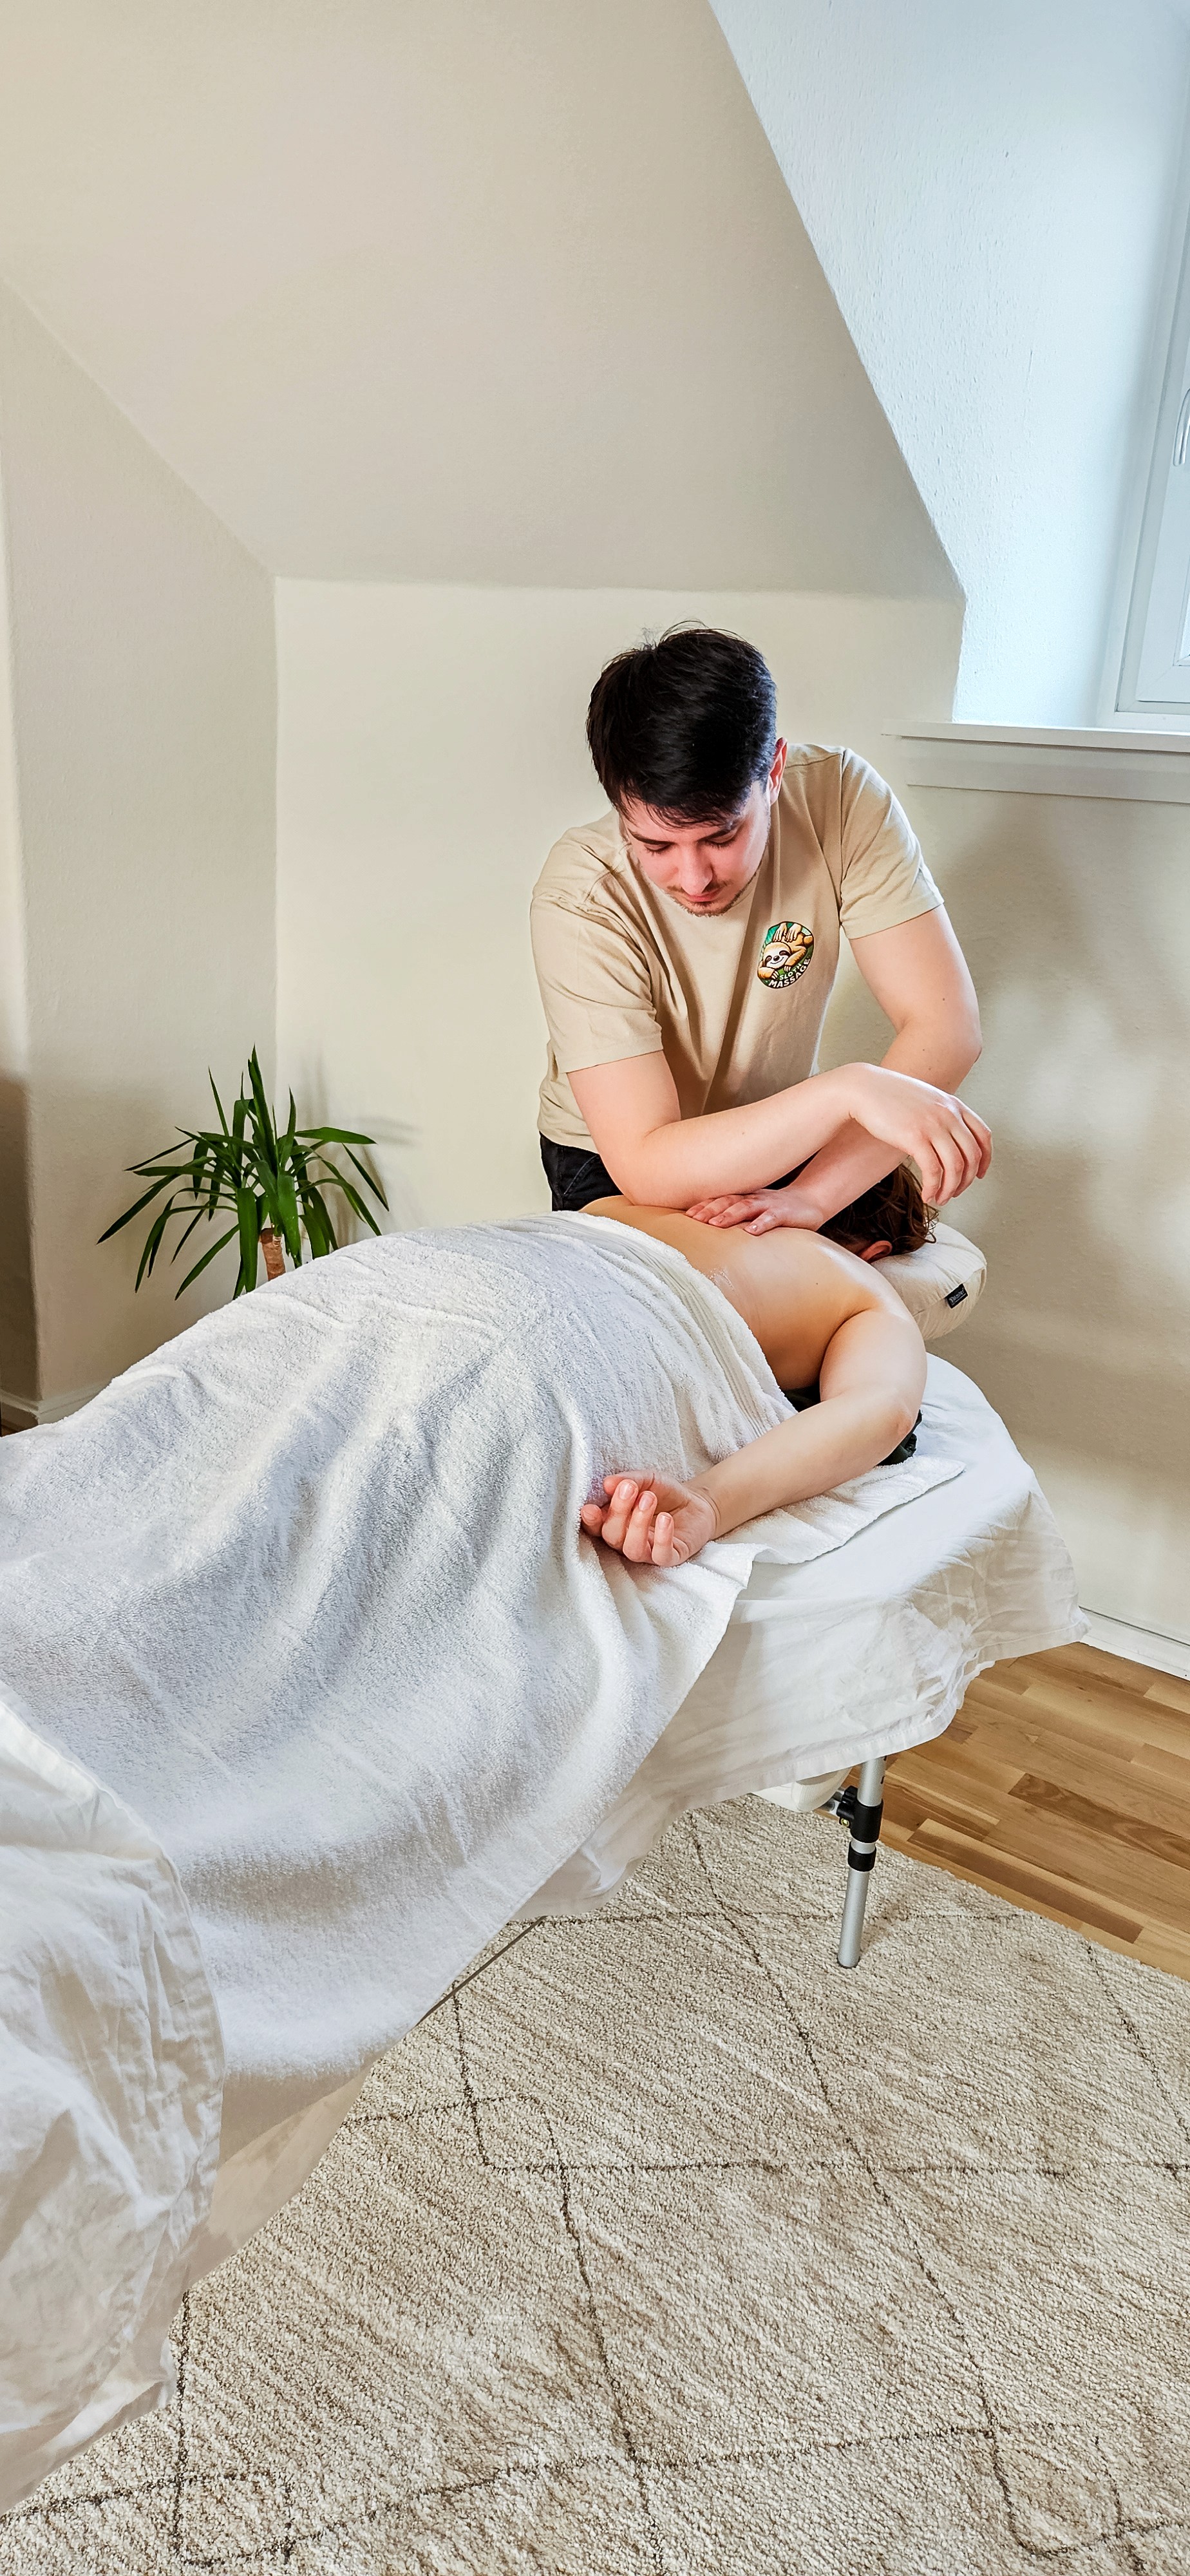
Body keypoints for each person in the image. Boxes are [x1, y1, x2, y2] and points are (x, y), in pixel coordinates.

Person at [531, 625, 990, 1236]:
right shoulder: (583, 895)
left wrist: (813, 1198)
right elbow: (644, 1161)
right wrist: (849, 1090)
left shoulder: (839, 799)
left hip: (772, 1135)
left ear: (773, 771)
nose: (694, 878)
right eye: (656, 846)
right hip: (618, 1162)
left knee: (878, 1246)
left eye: (722, 836)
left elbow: (946, 1026)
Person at [578, 1185, 927, 1567]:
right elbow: (884, 1408)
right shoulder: (863, 1287)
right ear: (875, 1253)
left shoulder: (632, 1201)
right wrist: (709, 1502)